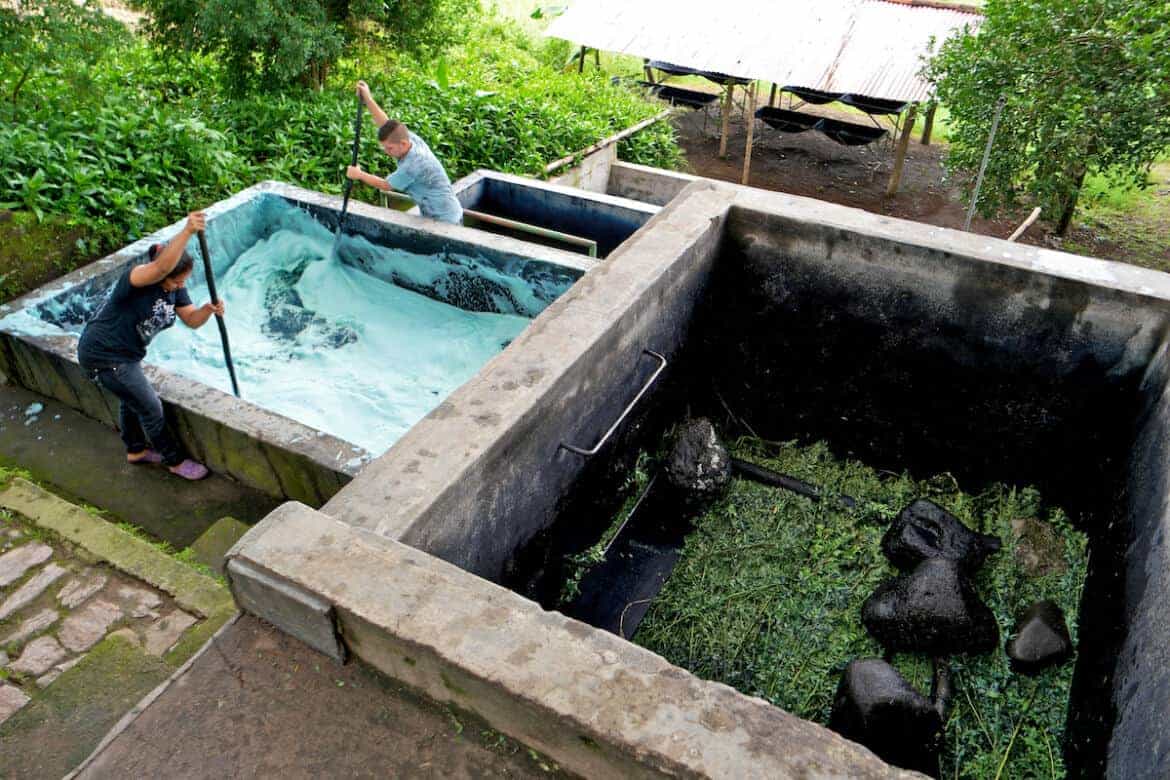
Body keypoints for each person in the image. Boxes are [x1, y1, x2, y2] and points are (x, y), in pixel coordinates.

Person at [77, 211, 224, 481]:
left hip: (127, 355)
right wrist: (187, 231)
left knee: (131, 399)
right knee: (151, 407)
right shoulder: (136, 280)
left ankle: (136, 450)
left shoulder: (175, 288)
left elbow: (191, 320)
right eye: (176, 281)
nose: (180, 286)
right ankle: (174, 460)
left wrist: (207, 310)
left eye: (184, 281)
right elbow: (161, 269)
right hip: (103, 354)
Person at [345, 80, 464, 225]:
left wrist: (359, 175)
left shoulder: (412, 165)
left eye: (390, 148)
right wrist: (368, 99)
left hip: (446, 220)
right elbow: (385, 124)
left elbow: (386, 185)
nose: (386, 152)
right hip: (439, 212)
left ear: (403, 144)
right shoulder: (410, 139)